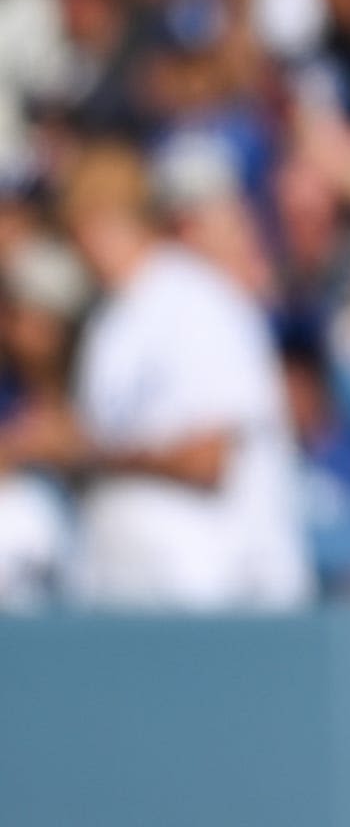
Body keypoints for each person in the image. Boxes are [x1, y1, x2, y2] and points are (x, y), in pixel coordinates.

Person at [13, 142, 310, 608]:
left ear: (100, 221)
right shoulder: (113, 318)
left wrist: (83, 453)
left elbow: (208, 458)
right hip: (135, 589)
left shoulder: (195, 300)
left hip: (223, 596)